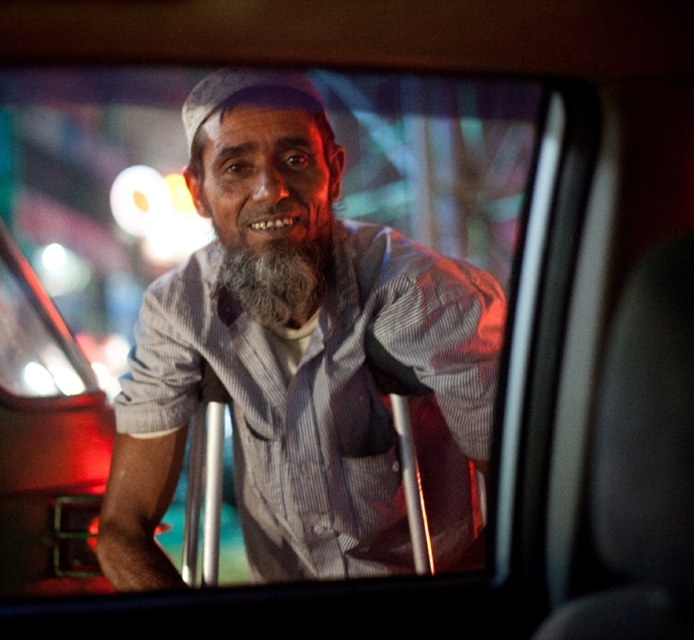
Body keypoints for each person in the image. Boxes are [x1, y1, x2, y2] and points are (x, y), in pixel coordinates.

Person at [96, 69, 506, 590]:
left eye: (295, 160)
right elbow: (121, 531)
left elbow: (526, 500)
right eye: (236, 167)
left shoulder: (423, 297)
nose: (271, 189)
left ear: (334, 172)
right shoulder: (180, 310)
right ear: (198, 192)